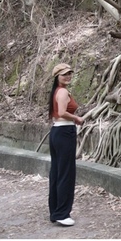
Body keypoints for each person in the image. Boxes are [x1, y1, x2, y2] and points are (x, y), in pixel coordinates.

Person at [48, 63, 84, 226]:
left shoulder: (57, 91)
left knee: (57, 172)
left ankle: (56, 211)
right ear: (57, 77)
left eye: (69, 73)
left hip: (57, 132)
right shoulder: (62, 92)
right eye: (64, 74)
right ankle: (62, 213)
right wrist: (77, 118)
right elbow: (62, 113)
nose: (68, 76)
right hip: (64, 133)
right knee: (66, 174)